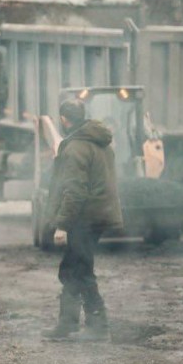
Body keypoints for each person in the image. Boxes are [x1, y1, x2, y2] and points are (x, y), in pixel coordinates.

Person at [42, 99, 123, 341]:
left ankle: (95, 326)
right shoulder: (101, 143)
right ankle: (70, 324)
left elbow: (74, 190)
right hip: (97, 215)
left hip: (84, 218)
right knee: (75, 268)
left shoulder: (76, 147)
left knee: (78, 269)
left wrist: (62, 225)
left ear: (65, 120)